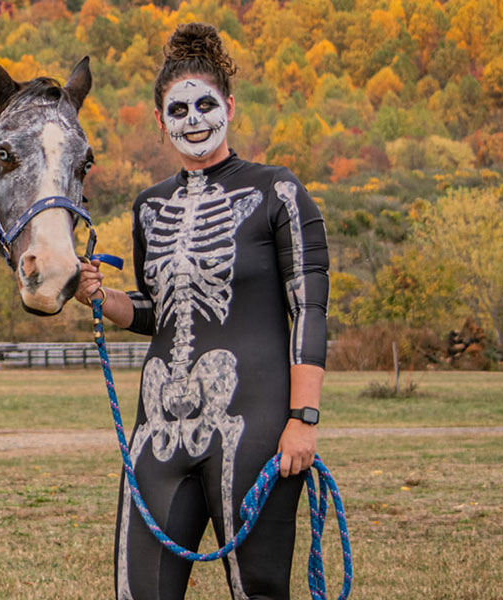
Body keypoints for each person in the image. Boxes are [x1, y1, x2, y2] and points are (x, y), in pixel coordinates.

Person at [76, 22, 330, 600]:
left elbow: (310, 309)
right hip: (158, 428)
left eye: (205, 105)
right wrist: (100, 297)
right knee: (139, 592)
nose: (193, 120)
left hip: (257, 426)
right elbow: (156, 312)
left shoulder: (279, 193)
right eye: (179, 109)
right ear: (160, 121)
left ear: (230, 107)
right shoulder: (148, 207)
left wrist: (304, 419)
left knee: (259, 591)